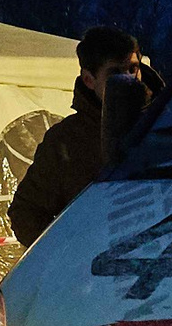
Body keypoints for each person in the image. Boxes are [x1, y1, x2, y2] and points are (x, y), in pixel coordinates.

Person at [8, 26, 148, 246]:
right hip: (100, 271)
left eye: (133, 69)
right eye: (115, 73)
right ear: (89, 80)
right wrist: (69, 253)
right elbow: (26, 212)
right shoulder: (65, 141)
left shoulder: (167, 123)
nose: (129, 79)